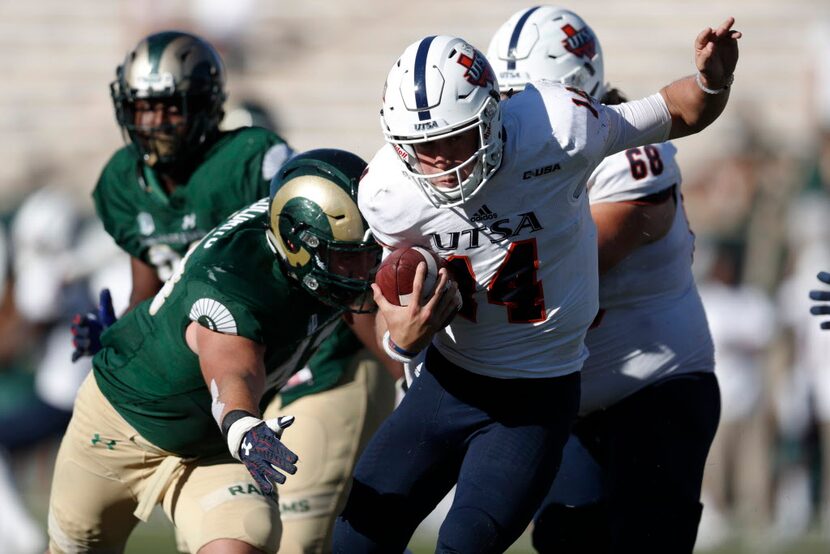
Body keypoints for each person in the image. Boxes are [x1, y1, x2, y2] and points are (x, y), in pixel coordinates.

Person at [332, 16, 740, 553]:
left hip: (632, 377)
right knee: (358, 536)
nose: (443, 166)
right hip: (474, 380)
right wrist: (402, 336)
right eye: (423, 147)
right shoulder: (390, 189)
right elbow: (391, 300)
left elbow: (677, 113)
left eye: (458, 139)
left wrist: (712, 82)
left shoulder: (567, 131)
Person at [70, 31, 399, 553]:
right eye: (144, 108)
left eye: (168, 108)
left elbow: (339, 267)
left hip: (313, 371)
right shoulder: (122, 183)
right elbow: (153, 290)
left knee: (292, 542)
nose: (153, 123)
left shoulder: (252, 159)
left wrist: (403, 370)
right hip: (225, 383)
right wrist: (119, 335)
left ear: (204, 106)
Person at [485, 7, 720, 552]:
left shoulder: (634, 150)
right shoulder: (505, 158)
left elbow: (561, 269)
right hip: (568, 396)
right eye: (508, 99)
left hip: (656, 382)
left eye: (530, 99)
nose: (516, 117)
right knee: (565, 540)